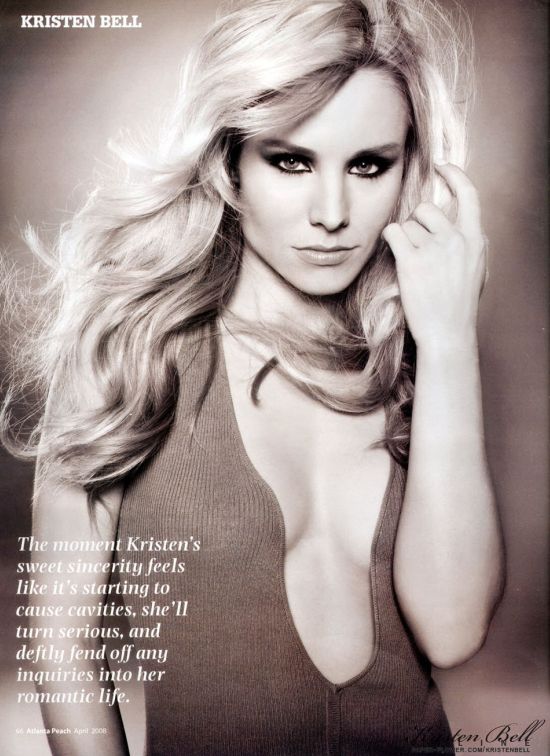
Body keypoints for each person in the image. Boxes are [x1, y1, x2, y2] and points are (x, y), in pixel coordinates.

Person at [2, 0, 505, 753]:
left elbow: (454, 632)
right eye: (291, 161)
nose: (332, 213)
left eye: (368, 165)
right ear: (229, 162)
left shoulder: (415, 356)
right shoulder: (130, 353)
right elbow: (63, 651)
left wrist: (451, 339)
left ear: (408, 167)